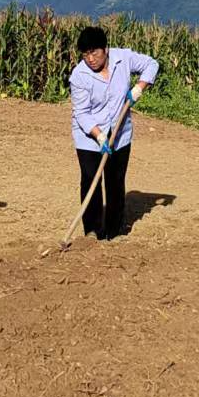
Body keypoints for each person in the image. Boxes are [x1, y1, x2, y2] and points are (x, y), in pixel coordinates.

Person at [69, 26, 159, 240]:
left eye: (94, 53)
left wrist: (138, 88)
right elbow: (81, 113)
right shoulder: (79, 75)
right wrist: (99, 135)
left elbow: (151, 64)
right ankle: (92, 231)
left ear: (105, 49)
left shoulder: (123, 58)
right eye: (85, 54)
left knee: (115, 182)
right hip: (89, 137)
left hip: (120, 134)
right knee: (91, 179)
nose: (90, 59)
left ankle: (114, 231)